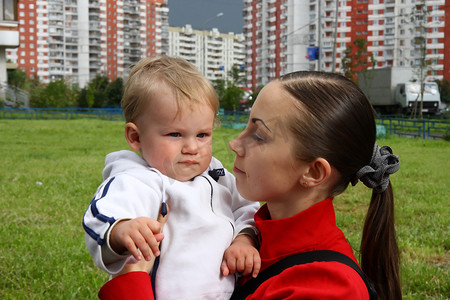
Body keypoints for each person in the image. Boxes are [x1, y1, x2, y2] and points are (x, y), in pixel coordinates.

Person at [97, 71, 402, 300]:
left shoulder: (327, 288)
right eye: (245, 125)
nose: (233, 144)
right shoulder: (255, 233)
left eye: (259, 135)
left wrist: (133, 279)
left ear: (312, 171)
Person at [83, 56, 261, 300]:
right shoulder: (136, 179)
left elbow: (247, 207)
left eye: (202, 134)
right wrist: (121, 230)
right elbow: (100, 216)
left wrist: (244, 239)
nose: (192, 147)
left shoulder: (217, 174)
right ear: (135, 137)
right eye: (175, 134)